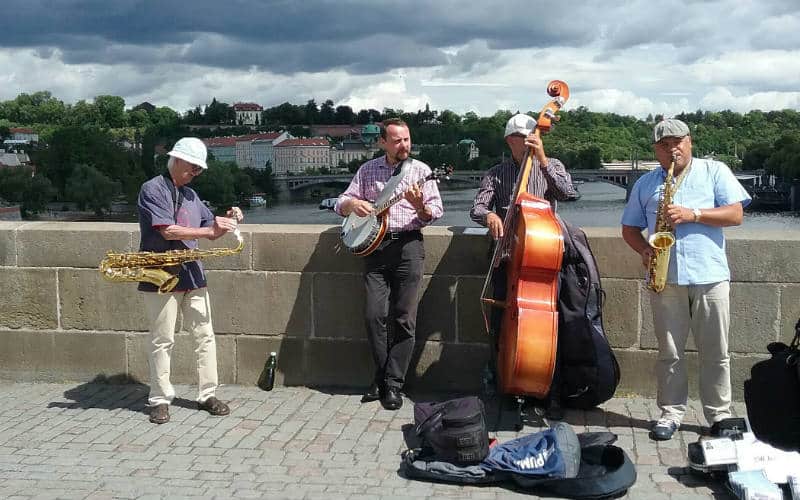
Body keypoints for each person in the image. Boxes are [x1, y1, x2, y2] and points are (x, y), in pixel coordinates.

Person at [621, 119, 751, 440]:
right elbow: (628, 229)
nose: (672, 149)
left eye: (677, 142)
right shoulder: (646, 183)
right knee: (669, 351)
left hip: (710, 275)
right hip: (666, 276)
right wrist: (645, 251)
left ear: (689, 141)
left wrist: (694, 214)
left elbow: (735, 214)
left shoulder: (714, 171)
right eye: (664, 145)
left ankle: (719, 414)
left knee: (716, 351)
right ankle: (670, 412)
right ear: (656, 149)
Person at [334, 118, 444, 411]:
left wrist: (419, 206)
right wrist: (351, 206)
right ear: (382, 142)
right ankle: (383, 377)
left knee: (403, 318)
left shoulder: (421, 172)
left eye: (407, 139)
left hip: (408, 246)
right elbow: (342, 201)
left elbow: (436, 211)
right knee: (374, 316)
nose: (404, 145)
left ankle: (392, 384)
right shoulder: (368, 170)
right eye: (397, 141)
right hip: (374, 248)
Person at [470, 113, 575, 416]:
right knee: (500, 325)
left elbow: (568, 193)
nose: (528, 140)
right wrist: (488, 216)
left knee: (553, 326)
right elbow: (477, 206)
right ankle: (504, 380)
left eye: (533, 135)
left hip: (542, 260)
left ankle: (551, 389)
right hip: (507, 259)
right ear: (509, 141)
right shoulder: (496, 173)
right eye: (521, 137)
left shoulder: (550, 165)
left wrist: (542, 159)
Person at [137, 137, 244, 424]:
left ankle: (207, 393)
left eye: (199, 170)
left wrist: (227, 220)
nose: (195, 174)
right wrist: (209, 233)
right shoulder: (152, 188)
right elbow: (168, 231)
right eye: (193, 168)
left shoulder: (192, 196)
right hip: (160, 272)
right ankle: (159, 399)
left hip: (192, 273)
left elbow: (210, 226)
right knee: (162, 339)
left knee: (204, 336)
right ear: (178, 160)